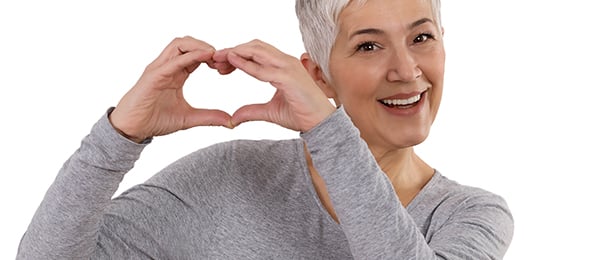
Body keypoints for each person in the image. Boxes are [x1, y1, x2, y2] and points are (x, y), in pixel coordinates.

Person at [17, 0, 514, 259]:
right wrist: (118, 136)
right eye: (368, 46)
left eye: (421, 37)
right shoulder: (230, 176)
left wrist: (326, 127)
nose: (407, 70)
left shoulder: (470, 215)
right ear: (319, 74)